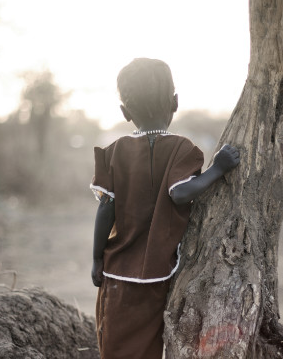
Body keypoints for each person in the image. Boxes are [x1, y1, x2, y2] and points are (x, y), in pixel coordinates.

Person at [89, 58, 240, 359]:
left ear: (125, 113)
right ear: (175, 102)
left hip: (117, 273)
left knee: (115, 344)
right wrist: (218, 169)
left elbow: (106, 210)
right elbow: (181, 193)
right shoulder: (182, 149)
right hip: (162, 272)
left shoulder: (114, 152)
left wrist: (96, 259)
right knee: (152, 345)